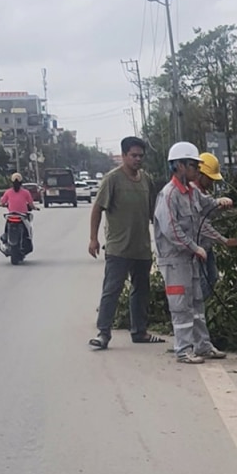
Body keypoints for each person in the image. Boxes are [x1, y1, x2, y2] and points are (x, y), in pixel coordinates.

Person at [153, 141, 231, 364]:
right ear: (178, 166)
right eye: (193, 165)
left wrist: (220, 203)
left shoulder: (190, 193)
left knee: (197, 303)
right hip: (175, 260)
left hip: (190, 259)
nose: (197, 170)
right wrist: (194, 247)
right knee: (181, 306)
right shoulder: (168, 195)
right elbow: (171, 230)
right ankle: (183, 349)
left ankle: (202, 345)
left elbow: (205, 207)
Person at [88, 136, 161, 350]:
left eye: (141, 156)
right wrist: (93, 239)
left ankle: (139, 331)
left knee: (141, 291)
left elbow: (153, 213)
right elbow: (97, 209)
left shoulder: (146, 180)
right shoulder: (112, 179)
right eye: (133, 155)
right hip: (118, 249)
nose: (138, 159)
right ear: (124, 156)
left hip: (142, 249)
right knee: (112, 290)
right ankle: (103, 333)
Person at [192, 152, 237, 300]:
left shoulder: (203, 193)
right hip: (197, 249)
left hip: (206, 248)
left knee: (213, 279)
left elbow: (209, 213)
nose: (212, 183)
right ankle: (203, 314)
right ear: (200, 174)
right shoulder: (193, 193)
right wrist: (224, 241)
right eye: (210, 179)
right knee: (203, 285)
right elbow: (202, 225)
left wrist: (220, 207)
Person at [0, 172, 35, 245]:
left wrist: (3, 205)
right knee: (28, 229)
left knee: (6, 227)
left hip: (11, 214)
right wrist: (34, 207)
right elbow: (31, 204)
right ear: (21, 182)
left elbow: (2, 202)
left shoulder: (8, 192)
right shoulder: (26, 192)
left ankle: (5, 237)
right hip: (23, 215)